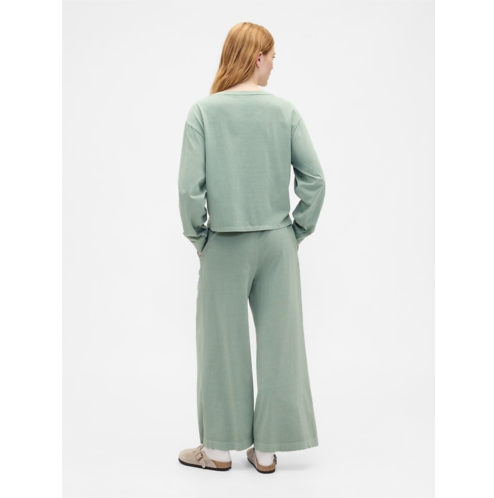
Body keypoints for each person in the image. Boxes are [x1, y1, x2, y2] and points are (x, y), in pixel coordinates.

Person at [177, 22, 326, 474]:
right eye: (272, 56)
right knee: (281, 344)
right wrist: (296, 232)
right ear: (257, 56)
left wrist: (198, 237)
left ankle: (218, 450)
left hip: (224, 243)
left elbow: (189, 189)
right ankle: (266, 451)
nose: (274, 64)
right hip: (277, 242)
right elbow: (315, 180)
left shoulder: (204, 112)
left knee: (221, 345)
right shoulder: (284, 111)